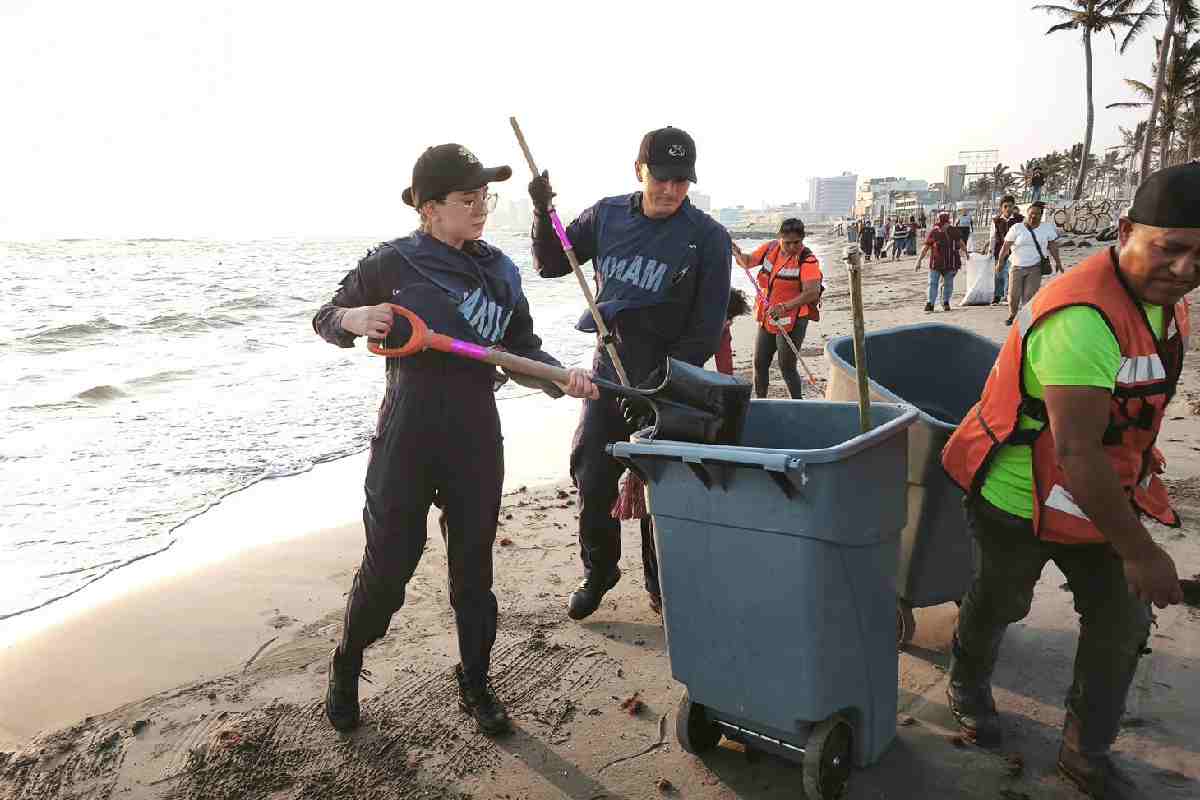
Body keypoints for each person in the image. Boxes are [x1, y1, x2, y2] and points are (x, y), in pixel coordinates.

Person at [313, 144, 598, 736]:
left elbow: (521, 349)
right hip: (407, 433)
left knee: (474, 571)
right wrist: (352, 320)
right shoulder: (390, 263)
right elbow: (327, 315)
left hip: (474, 433)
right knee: (390, 567)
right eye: (469, 199)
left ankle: (475, 683)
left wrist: (560, 377)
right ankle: (347, 661)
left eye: (486, 197)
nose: (482, 209)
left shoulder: (500, 270)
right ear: (429, 208)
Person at [940, 163, 1200, 799]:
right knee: (1003, 601)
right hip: (1018, 497)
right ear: (1125, 230)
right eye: (1171, 248)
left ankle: (1085, 753)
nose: (1186, 267)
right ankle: (967, 681)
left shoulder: (1167, 307)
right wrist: (1140, 551)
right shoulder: (1083, 317)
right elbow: (1078, 451)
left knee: (1122, 622)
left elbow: (1118, 421)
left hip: (1099, 499)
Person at [528, 126, 732, 620]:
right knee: (592, 475)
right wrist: (541, 213)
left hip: (670, 380)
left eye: (682, 180)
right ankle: (600, 570)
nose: (670, 190)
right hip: (608, 370)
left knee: (662, 488)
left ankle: (661, 581)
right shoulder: (606, 215)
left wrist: (658, 389)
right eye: (661, 177)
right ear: (638, 170)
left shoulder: (708, 238)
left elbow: (704, 331)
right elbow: (552, 262)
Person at [733, 218, 823, 399]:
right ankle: (761, 401)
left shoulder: (808, 259)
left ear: (802, 239)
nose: (791, 247)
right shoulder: (770, 248)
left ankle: (798, 402)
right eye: (786, 242)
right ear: (779, 238)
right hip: (769, 316)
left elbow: (811, 293)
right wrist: (738, 254)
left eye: (796, 243)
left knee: (786, 366)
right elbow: (748, 261)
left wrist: (784, 307)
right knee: (759, 363)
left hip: (794, 318)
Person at [996, 201, 1064, 326]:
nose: (1034, 216)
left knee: (1029, 296)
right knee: (1013, 296)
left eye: (1037, 214)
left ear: (1041, 215)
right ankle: (1012, 314)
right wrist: (1000, 262)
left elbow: (1053, 246)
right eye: (1031, 213)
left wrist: (1058, 262)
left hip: (1035, 267)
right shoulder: (1017, 228)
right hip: (1016, 266)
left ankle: (1025, 321)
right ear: (1027, 214)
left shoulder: (1047, 228)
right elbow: (1006, 246)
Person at [916, 212, 968, 311]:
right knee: (933, 283)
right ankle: (930, 303)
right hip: (936, 263)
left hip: (951, 263)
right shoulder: (934, 232)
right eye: (942, 223)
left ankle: (945, 302)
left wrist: (967, 254)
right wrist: (918, 261)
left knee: (948, 284)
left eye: (945, 223)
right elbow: (926, 247)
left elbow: (960, 243)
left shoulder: (954, 231)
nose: (944, 225)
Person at [990, 195, 1024, 306]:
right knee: (999, 273)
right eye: (1005, 206)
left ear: (1014, 206)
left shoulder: (1020, 220)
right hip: (1000, 251)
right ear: (1001, 208)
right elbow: (993, 237)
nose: (1008, 209)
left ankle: (1008, 296)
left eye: (1010, 206)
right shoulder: (996, 221)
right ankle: (997, 296)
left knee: (1011, 273)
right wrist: (991, 251)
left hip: (1016, 252)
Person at [714, 288, 752, 376]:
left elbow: (725, 366)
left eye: (732, 318)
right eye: (729, 317)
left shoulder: (724, 330)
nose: (730, 323)